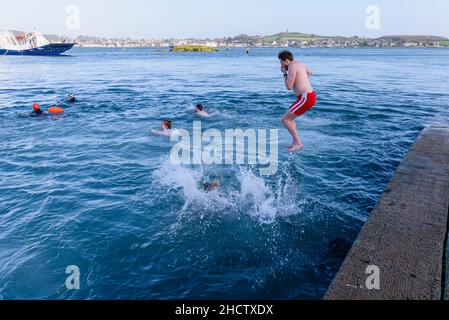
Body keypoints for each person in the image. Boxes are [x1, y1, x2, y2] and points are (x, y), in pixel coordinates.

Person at [278, 50, 317, 153]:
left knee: (285, 120)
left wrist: (285, 73)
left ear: (286, 61)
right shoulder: (300, 63)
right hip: (308, 96)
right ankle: (295, 142)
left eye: (281, 62)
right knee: (290, 119)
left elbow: (289, 87)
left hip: (306, 97)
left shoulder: (291, 67)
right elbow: (310, 72)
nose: (281, 65)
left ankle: (298, 143)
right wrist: (302, 78)